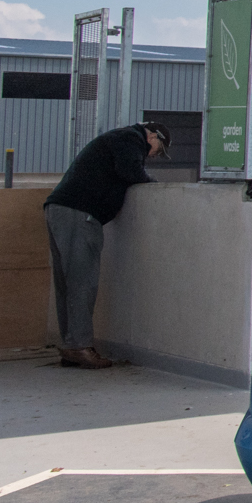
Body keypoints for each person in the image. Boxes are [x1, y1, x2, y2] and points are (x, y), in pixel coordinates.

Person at [42, 121, 168, 369]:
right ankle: (79, 346)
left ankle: (71, 345)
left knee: (66, 283)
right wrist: (153, 182)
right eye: (158, 149)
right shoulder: (131, 138)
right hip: (80, 213)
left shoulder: (116, 138)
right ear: (152, 135)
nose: (154, 155)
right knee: (81, 281)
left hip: (60, 210)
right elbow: (130, 171)